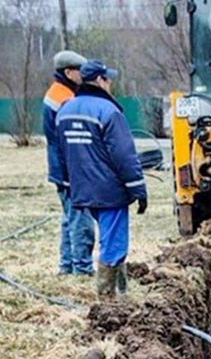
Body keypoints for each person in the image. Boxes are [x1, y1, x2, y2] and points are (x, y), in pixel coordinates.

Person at [56, 60, 147, 298]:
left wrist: (68, 184)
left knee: (110, 239)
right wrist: (138, 189)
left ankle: (122, 292)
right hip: (110, 190)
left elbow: (62, 153)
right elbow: (124, 156)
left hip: (83, 189)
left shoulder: (65, 110)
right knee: (114, 243)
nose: (110, 84)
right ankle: (108, 300)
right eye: (108, 79)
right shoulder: (108, 112)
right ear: (99, 80)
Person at [43, 50, 95, 276]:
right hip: (69, 170)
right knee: (80, 219)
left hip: (61, 168)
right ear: (68, 72)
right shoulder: (65, 98)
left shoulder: (57, 92)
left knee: (69, 218)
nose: (83, 76)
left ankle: (67, 266)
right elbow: (72, 139)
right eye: (80, 71)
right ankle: (82, 268)